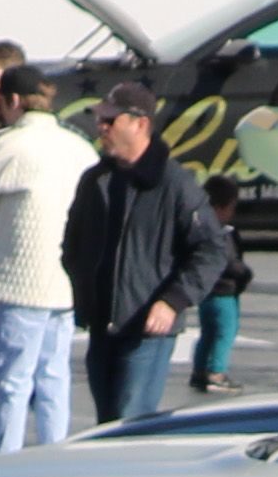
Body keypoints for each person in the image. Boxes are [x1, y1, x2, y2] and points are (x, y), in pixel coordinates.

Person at [65, 86, 234, 427]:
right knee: (106, 424)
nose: (101, 127)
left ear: (140, 124)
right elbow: (73, 244)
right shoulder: (95, 180)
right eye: (100, 119)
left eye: (110, 120)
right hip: (102, 324)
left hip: (147, 327)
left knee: (130, 421)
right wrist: (82, 294)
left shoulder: (174, 184)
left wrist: (173, 300)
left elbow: (212, 248)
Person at [0, 68, 89, 456]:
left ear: (10, 101)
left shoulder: (11, 144)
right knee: (54, 378)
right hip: (65, 283)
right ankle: (55, 460)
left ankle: (5, 464)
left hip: (20, 282)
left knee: (12, 382)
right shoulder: (78, 145)